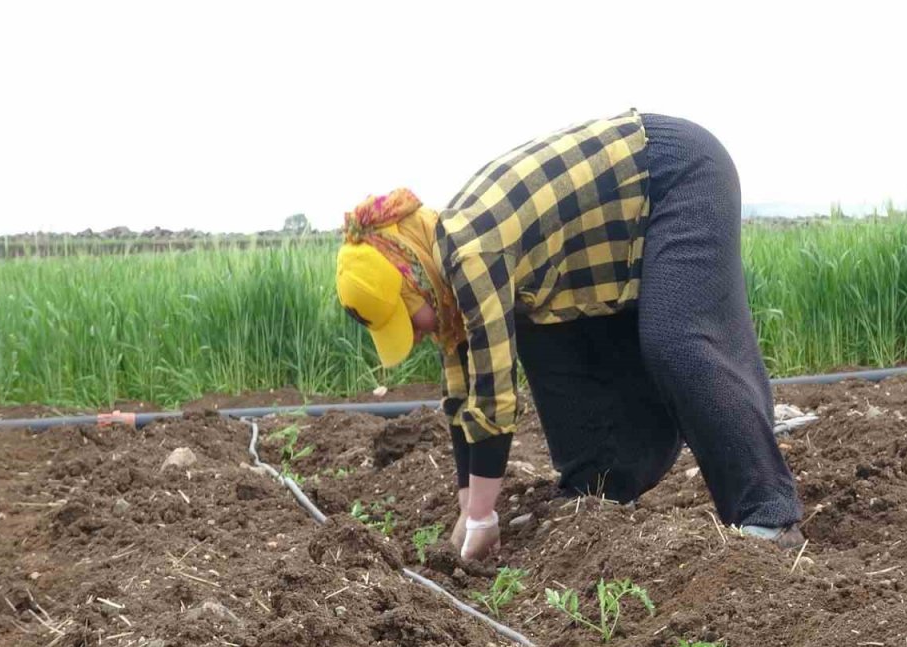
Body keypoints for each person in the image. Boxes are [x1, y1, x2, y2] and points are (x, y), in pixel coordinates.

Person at [335, 109, 804, 561]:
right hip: (607, 250)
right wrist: (467, 510)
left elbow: (495, 398)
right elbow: (464, 399)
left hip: (676, 175)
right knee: (538, 325)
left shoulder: (472, 252)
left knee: (677, 341)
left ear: (412, 272)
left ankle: (768, 515)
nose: (415, 335)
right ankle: (602, 487)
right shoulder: (450, 275)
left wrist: (481, 517)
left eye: (406, 317)